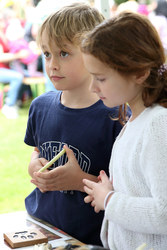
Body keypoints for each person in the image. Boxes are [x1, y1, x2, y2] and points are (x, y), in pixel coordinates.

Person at [24, 3, 125, 246]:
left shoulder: (116, 116)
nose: (52, 64)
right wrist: (34, 166)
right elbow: (38, 150)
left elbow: (125, 192)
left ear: (94, 53)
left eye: (64, 53)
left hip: (89, 238)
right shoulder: (39, 106)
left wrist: (79, 181)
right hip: (41, 226)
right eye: (47, 54)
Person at [80, 11, 167, 250]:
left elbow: (164, 213)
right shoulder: (136, 121)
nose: (92, 87)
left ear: (139, 73)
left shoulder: (158, 125)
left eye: (101, 78)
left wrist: (109, 200)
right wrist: (109, 191)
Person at [0, 12, 27, 119]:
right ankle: (9, 105)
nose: (3, 23)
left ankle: (17, 100)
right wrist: (17, 55)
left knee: (26, 75)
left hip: (6, 69)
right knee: (18, 76)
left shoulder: (4, 35)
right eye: (1, 20)